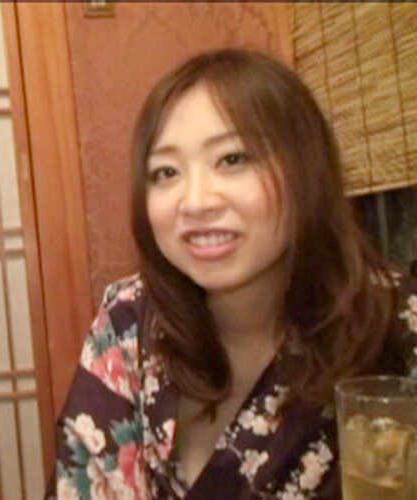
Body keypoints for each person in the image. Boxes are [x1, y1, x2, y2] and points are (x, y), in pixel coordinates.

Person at [52, 49, 417, 498]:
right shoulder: (128, 320)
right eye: (166, 172)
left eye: (232, 159)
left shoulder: (398, 323)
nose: (195, 201)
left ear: (306, 168)